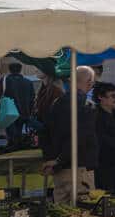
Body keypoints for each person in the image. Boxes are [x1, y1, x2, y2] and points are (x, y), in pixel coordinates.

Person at [41, 66, 99, 202]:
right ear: (90, 83)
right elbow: (80, 138)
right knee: (82, 214)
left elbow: (44, 132)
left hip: (59, 171)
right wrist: (59, 160)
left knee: (62, 215)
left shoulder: (57, 103)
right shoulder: (87, 105)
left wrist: (51, 159)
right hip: (79, 169)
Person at [2, 62, 37, 144]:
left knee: (11, 136)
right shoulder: (28, 82)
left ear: (9, 70)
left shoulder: (5, 81)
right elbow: (32, 98)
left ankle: (12, 146)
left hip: (9, 113)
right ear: (20, 70)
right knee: (18, 132)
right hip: (24, 112)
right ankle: (18, 145)